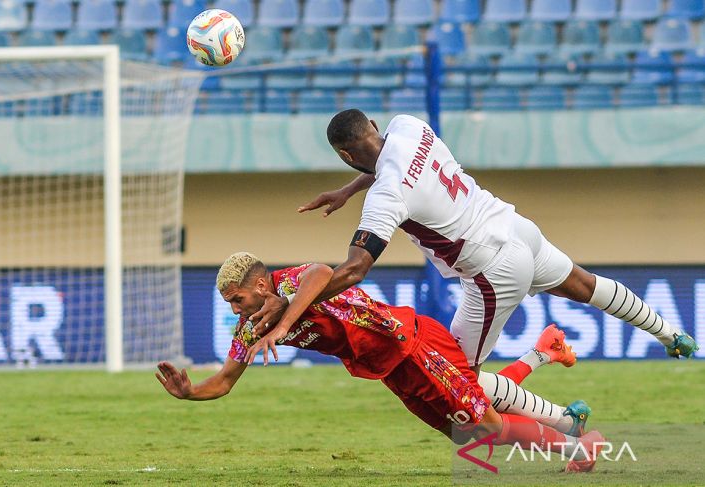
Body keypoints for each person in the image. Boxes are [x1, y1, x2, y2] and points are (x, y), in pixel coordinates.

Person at [248, 110, 697, 371]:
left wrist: (291, 306)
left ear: (345, 155)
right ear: (372, 124)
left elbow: (354, 269)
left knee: (452, 376)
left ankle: (550, 378)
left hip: (491, 270)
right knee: (584, 285)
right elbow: (393, 166)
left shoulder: (386, 194)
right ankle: (671, 333)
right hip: (515, 225)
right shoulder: (408, 126)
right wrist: (347, 190)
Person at [156, 252, 603, 472]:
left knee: (482, 423)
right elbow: (225, 380)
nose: (236, 311)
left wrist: (282, 320)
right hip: (388, 369)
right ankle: (543, 353)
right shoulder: (253, 324)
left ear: (259, 283)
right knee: (466, 427)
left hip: (412, 344)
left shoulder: (291, 281)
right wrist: (190, 392)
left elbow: (321, 274)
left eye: (238, 299)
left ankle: (581, 445)